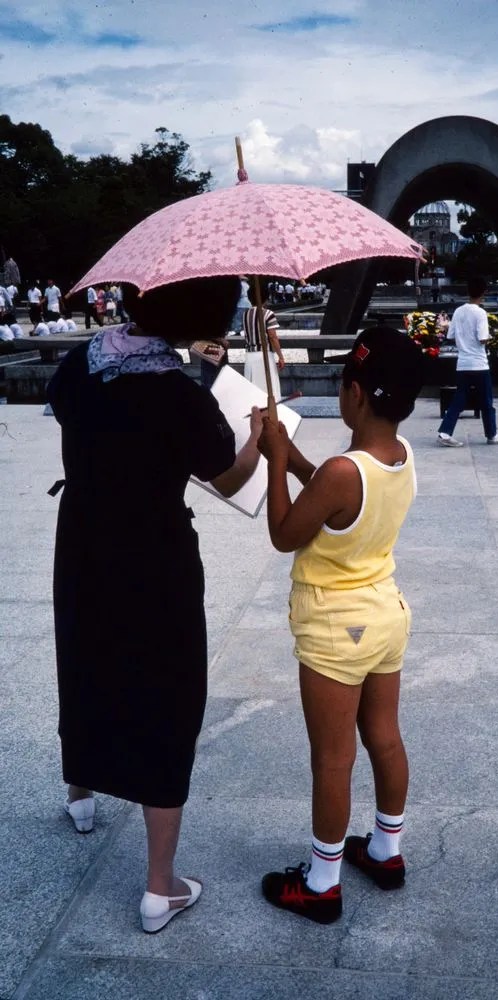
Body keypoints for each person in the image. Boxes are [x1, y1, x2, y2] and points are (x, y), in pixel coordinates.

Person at [46, 277, 263, 934]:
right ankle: (159, 887)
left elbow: (72, 409)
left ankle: (81, 796)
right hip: (154, 556)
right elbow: (225, 472)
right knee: (165, 697)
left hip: (83, 540)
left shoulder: (83, 362)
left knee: (87, 663)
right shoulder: (176, 394)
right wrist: (264, 437)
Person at [258, 325, 423, 924]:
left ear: (355, 393)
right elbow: (333, 502)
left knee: (332, 758)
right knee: (383, 735)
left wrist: (276, 460)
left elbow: (285, 533)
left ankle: (322, 881)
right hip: (385, 614)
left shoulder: (340, 470)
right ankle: (385, 850)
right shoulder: (399, 458)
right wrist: (294, 455)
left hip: (336, 628)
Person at [437, 275, 498, 447]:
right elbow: (483, 338)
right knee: (486, 401)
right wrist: (491, 336)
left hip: (462, 363)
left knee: (459, 399)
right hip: (478, 363)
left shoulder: (458, 311)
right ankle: (491, 434)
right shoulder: (480, 313)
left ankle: (445, 432)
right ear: (484, 293)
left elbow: (451, 335)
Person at [242, 283, 285, 398]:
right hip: (264, 355)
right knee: (268, 389)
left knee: (253, 390)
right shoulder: (268, 314)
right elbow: (272, 336)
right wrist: (280, 356)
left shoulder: (245, 314)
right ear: (266, 297)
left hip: (250, 355)